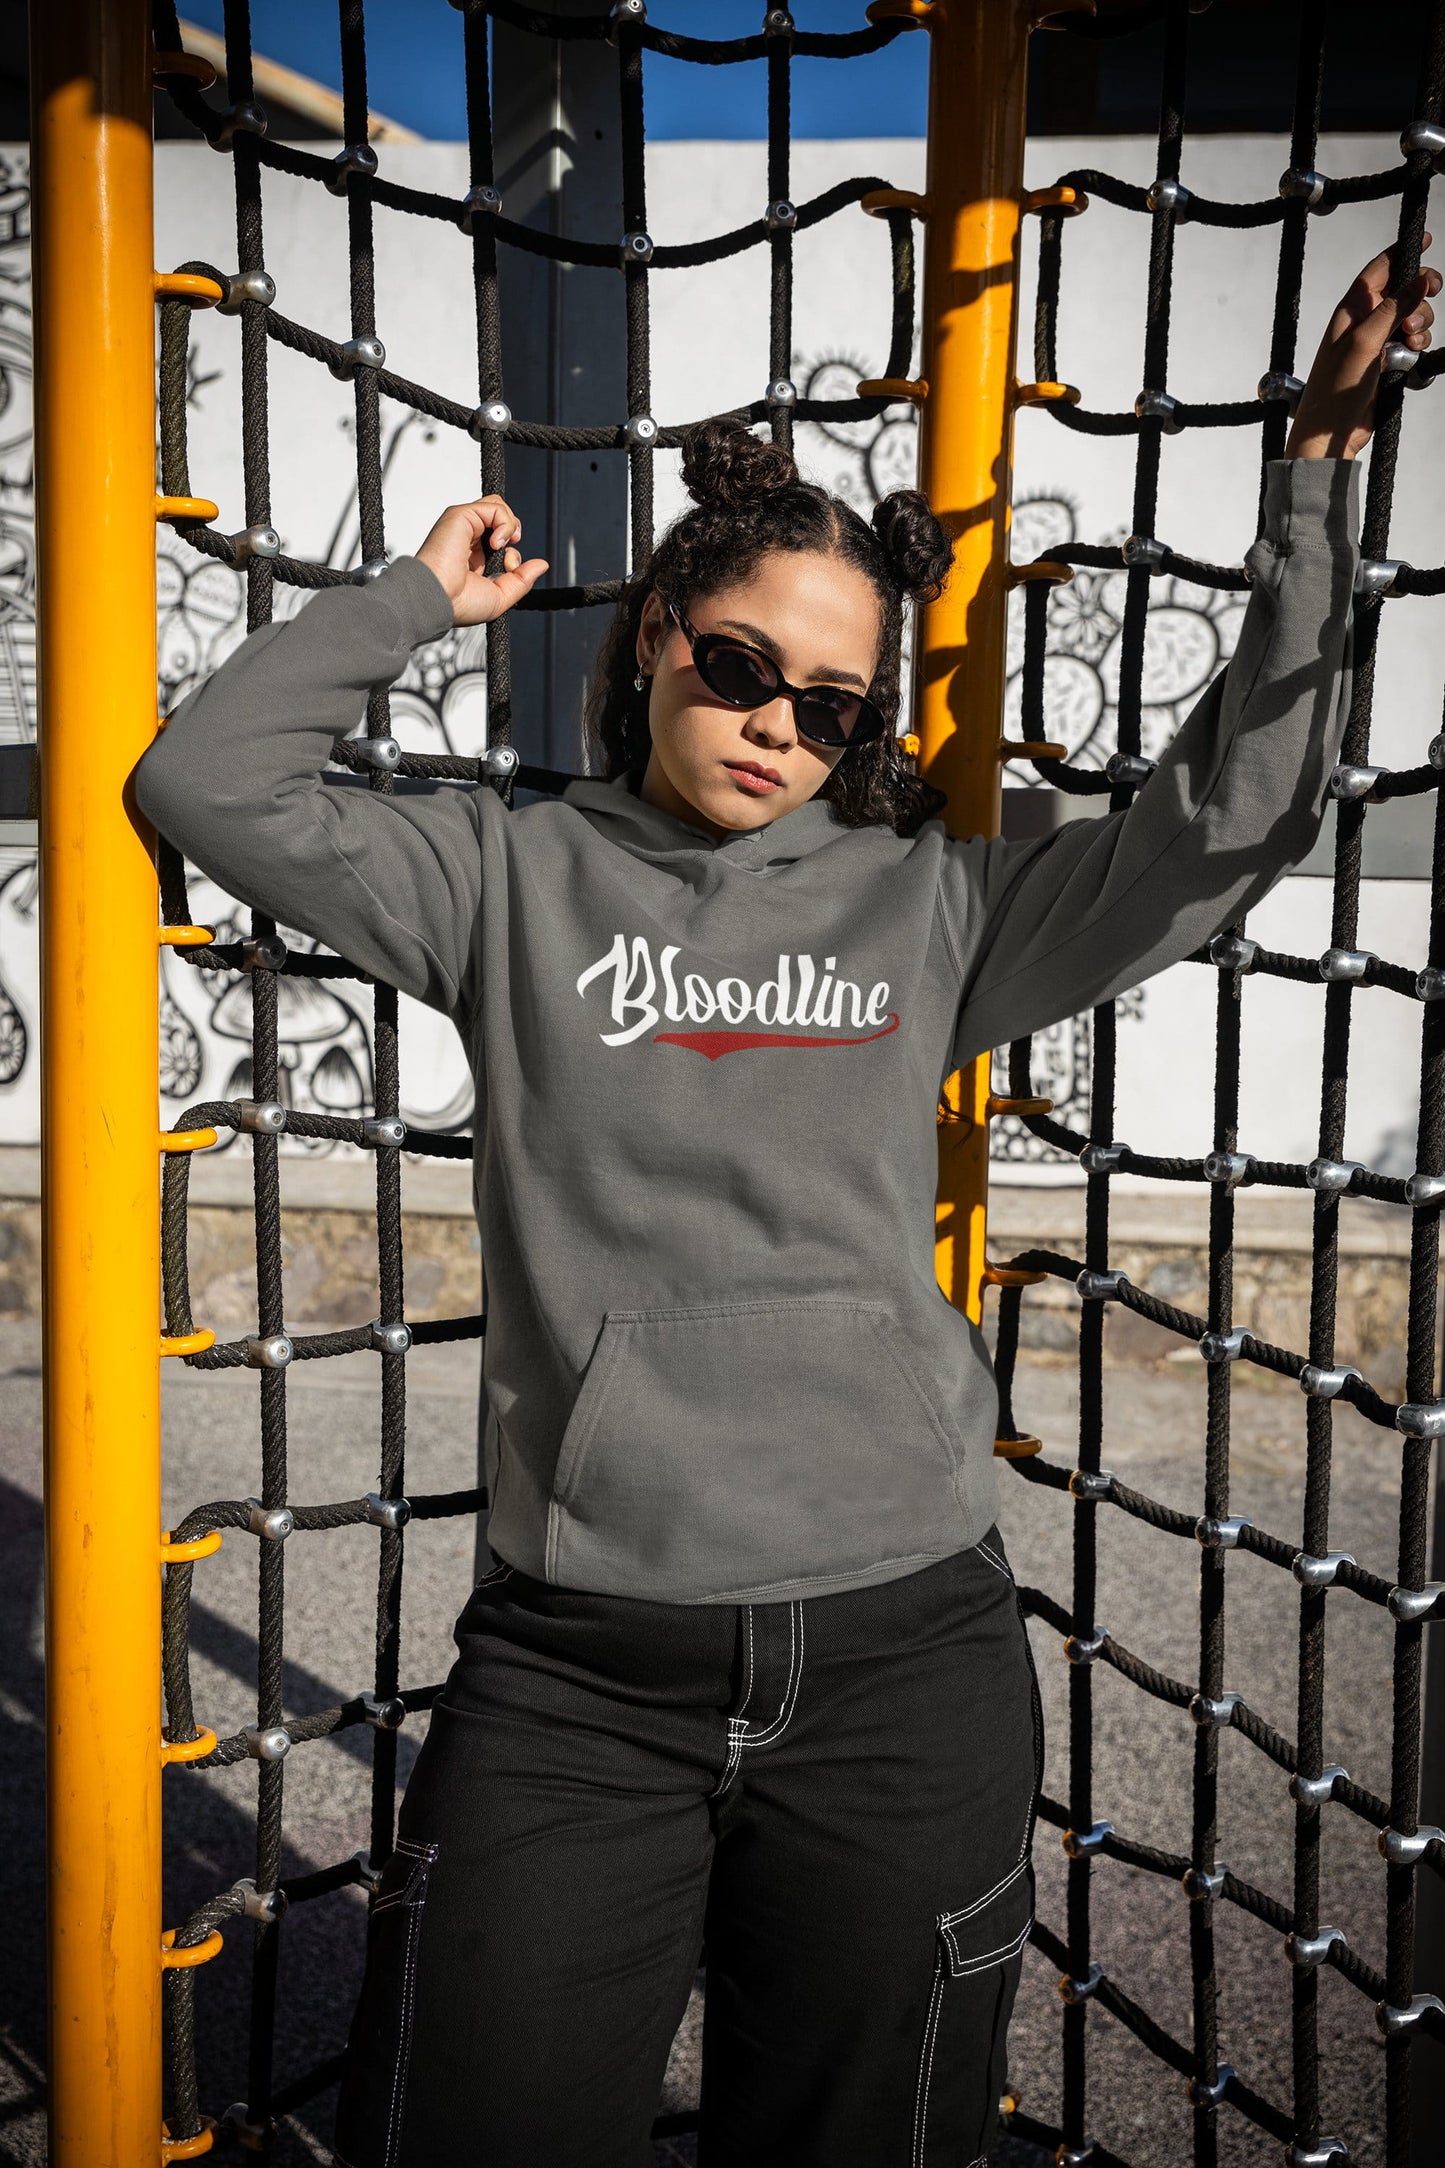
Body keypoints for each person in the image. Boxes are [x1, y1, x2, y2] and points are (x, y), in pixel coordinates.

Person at [136, 241, 1435, 2168]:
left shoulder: (934, 901)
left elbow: (1226, 821)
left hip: (904, 1658)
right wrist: (418, 593)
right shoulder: (502, 873)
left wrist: (1316, 483)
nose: (775, 726)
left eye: (830, 706)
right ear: (660, 631)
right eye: (741, 667)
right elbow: (207, 781)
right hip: (583, 1673)